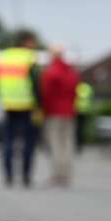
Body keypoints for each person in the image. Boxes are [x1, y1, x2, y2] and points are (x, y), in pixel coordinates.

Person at [0, 33, 41, 187]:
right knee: (28, 143)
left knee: (8, 143)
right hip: (26, 106)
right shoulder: (29, 57)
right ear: (26, 42)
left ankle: (8, 176)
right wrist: (39, 104)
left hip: (7, 105)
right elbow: (36, 82)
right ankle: (26, 176)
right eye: (33, 42)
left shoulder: (4, 56)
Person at [40, 46, 79, 186]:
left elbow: (46, 94)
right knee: (68, 145)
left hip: (54, 113)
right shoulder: (71, 71)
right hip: (69, 112)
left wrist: (44, 111)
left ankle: (57, 174)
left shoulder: (51, 72)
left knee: (56, 145)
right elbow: (75, 91)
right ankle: (67, 174)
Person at [74, 81, 93, 153]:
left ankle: (77, 144)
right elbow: (90, 98)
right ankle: (80, 144)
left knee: (77, 129)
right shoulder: (88, 87)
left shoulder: (77, 87)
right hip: (85, 111)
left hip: (77, 111)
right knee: (81, 129)